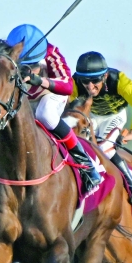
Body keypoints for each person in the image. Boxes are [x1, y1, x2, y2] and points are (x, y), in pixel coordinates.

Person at [6, 24, 101, 189]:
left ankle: (86, 164)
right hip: (26, 98)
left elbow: (68, 86)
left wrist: (40, 81)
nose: (28, 70)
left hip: (50, 94)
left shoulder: (51, 53)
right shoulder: (5, 55)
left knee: (45, 114)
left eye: (32, 65)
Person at [72, 51, 132, 209]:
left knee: (104, 149)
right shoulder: (75, 83)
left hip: (114, 116)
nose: (89, 86)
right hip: (91, 115)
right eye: (85, 81)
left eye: (95, 80)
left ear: (105, 76)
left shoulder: (120, 81)